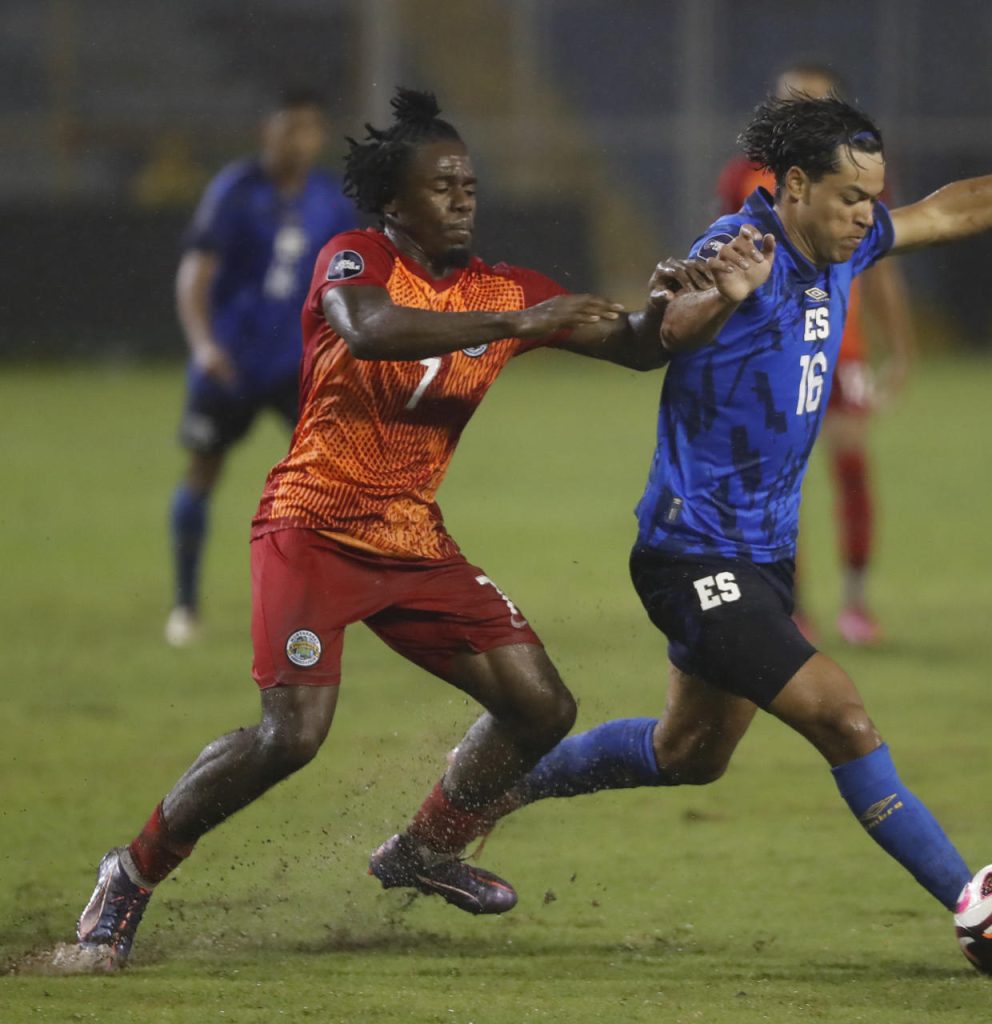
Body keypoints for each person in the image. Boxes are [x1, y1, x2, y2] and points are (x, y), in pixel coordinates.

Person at [449, 90, 992, 919]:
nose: (868, 215)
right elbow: (670, 327)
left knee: (689, 753)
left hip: (762, 556)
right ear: (793, 186)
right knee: (843, 717)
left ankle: (479, 797)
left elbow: (953, 210)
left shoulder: (840, 251)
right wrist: (719, 296)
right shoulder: (738, 247)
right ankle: (979, 909)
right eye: (851, 197)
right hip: (695, 555)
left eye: (873, 197)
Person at [65, 89, 706, 973]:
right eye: (441, 186)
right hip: (312, 526)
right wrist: (519, 323)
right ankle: (130, 874)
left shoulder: (504, 284)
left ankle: (422, 849)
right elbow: (367, 333)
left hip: (412, 539)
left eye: (469, 183)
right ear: (395, 202)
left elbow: (637, 344)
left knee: (541, 706)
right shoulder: (355, 258)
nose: (463, 197)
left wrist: (694, 302)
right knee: (290, 736)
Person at [715, 62, 915, 646]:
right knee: (779, 480)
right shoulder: (744, 176)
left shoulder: (859, 171)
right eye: (789, 101)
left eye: (814, 103)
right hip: (773, 351)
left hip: (841, 347)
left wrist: (899, 349)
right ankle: (792, 606)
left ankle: (856, 600)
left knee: (851, 465)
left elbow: (878, 264)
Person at [167, 89, 356, 646]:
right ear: (266, 132)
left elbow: (346, 281)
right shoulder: (235, 190)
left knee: (332, 477)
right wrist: (202, 345)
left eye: (310, 129)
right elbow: (194, 274)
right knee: (204, 469)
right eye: (289, 128)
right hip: (230, 362)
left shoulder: (328, 199)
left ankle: (326, 602)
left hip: (297, 365)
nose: (300, 140)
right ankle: (185, 603)